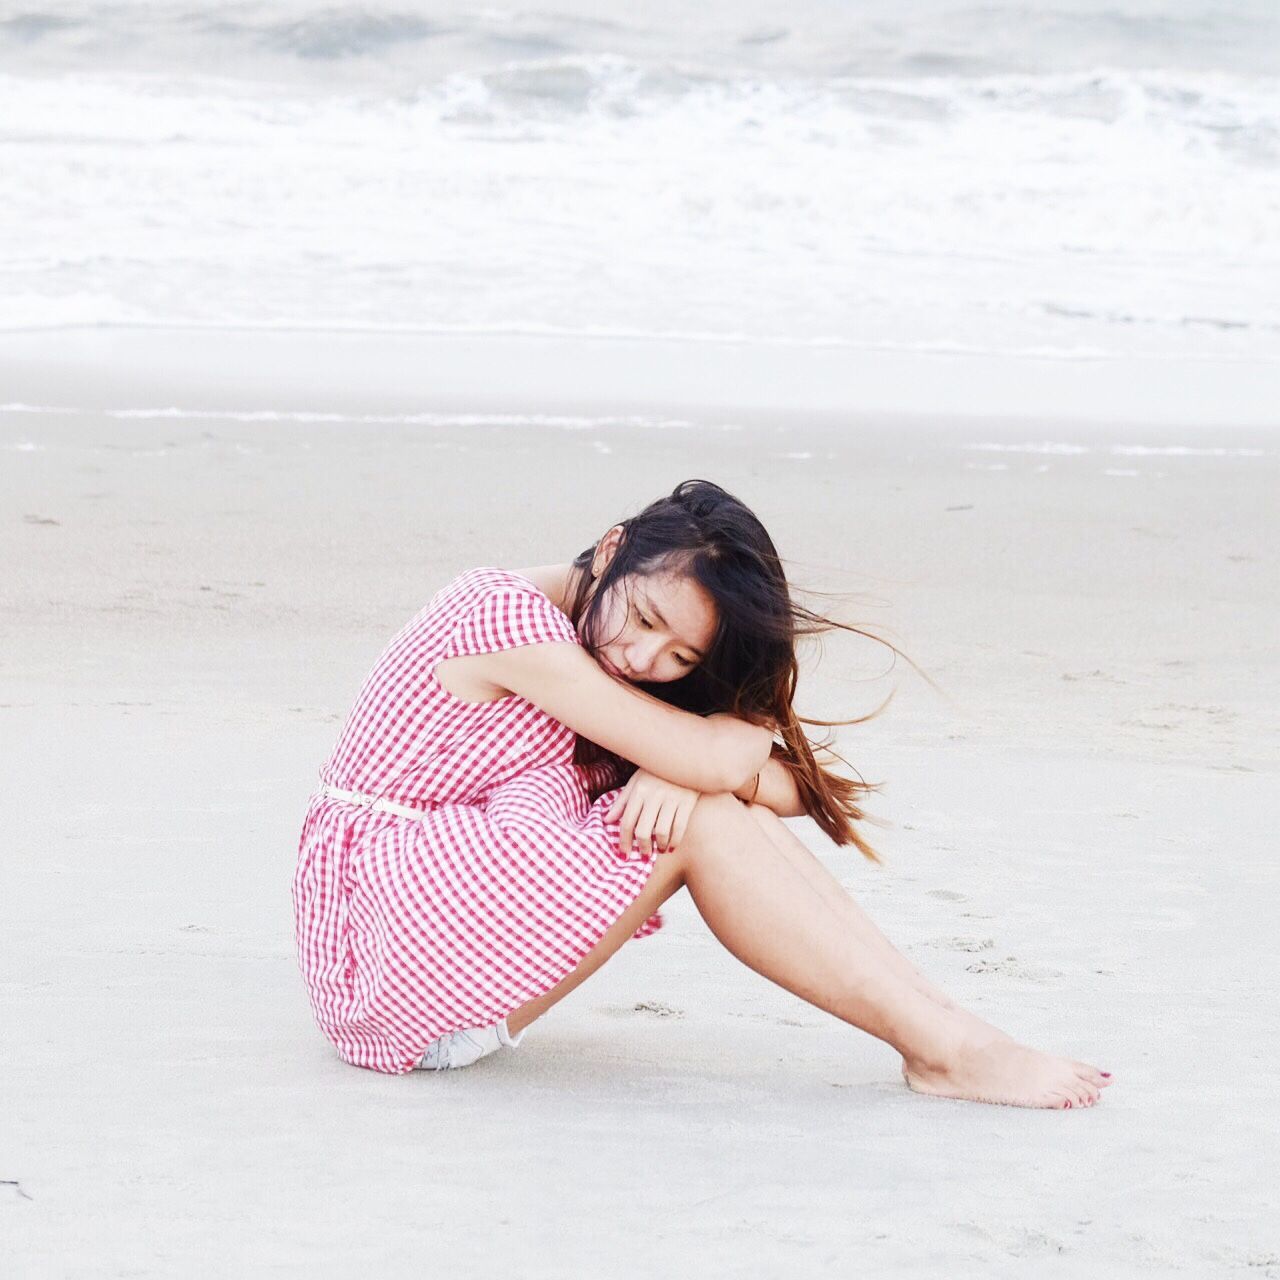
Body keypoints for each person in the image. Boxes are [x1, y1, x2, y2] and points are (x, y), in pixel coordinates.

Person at [292, 479, 1111, 1109]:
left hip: (443, 960)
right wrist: (693, 756)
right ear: (611, 548)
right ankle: (946, 1051)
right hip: (389, 956)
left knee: (707, 807)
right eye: (645, 619)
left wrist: (677, 761)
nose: (647, 660)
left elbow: (783, 790)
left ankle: (950, 1030)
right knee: (705, 820)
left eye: (684, 657)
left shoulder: (617, 664)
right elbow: (721, 771)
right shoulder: (498, 617)